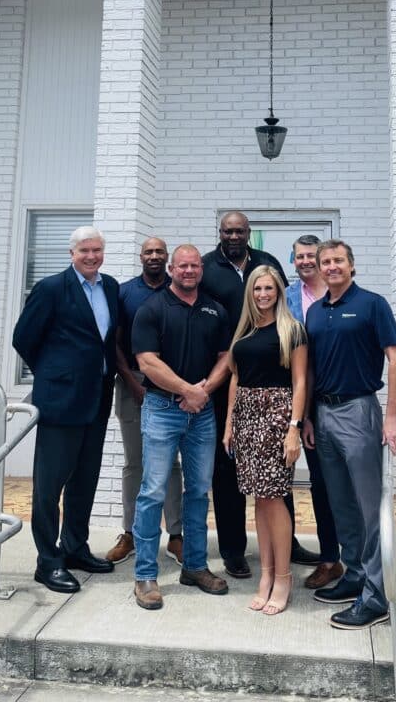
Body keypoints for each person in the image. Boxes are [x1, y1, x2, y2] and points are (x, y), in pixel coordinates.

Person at [201, 211, 319, 577]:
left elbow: (285, 311)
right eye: (228, 231)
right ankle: (234, 549)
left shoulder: (266, 262)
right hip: (231, 380)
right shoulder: (207, 267)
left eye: (240, 230)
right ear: (220, 233)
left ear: (248, 233)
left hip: (274, 384)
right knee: (228, 471)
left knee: (276, 476)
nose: (234, 236)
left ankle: (287, 544)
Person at [305, 238, 396, 630]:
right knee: (341, 503)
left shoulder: (372, 304)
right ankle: (355, 574)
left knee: (369, 507)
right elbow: (311, 367)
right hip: (323, 414)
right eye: (325, 262)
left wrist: (392, 416)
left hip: (359, 410)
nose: (331, 267)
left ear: (351, 265)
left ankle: (376, 597)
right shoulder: (315, 312)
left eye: (338, 261)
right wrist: (308, 417)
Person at [12, 226, 118, 593]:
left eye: (97, 250)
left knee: (84, 480)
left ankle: (75, 548)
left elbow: (107, 341)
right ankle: (48, 561)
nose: (91, 256)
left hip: (98, 399)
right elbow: (23, 338)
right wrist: (55, 374)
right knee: (49, 486)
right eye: (84, 250)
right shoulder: (51, 288)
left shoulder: (110, 287)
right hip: (61, 402)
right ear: (72, 253)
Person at [130, 244, 232, 610]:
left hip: (201, 414)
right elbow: (147, 362)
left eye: (194, 266)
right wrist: (188, 390)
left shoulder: (215, 310)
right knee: (153, 491)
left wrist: (202, 393)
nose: (189, 271)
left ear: (200, 270)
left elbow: (226, 358)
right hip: (162, 409)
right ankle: (145, 575)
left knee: (199, 491)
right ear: (172, 269)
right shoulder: (151, 308)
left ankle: (195, 567)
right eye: (182, 266)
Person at [223, 266, 307, 616]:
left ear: (279, 292)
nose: (263, 294)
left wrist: (294, 428)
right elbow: (235, 377)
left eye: (269, 288)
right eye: (257, 288)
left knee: (274, 497)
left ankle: (284, 578)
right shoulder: (244, 330)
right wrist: (229, 423)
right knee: (259, 499)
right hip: (246, 416)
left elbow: (300, 382)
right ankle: (267, 574)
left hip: (276, 416)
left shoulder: (292, 330)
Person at [106, 237, 183, 567]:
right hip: (133, 382)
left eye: (159, 252)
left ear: (167, 258)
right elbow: (114, 343)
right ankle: (131, 534)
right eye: (148, 251)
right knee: (135, 463)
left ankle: (176, 535)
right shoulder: (125, 293)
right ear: (141, 257)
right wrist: (131, 382)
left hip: (171, 383)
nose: (153, 256)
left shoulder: (178, 289)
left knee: (172, 464)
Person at [285, 235, 343, 591]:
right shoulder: (288, 297)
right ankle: (328, 558)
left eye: (311, 256)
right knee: (317, 484)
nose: (306, 261)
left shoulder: (340, 295)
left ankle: (356, 558)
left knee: (343, 485)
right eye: (300, 257)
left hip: (340, 398)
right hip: (301, 401)